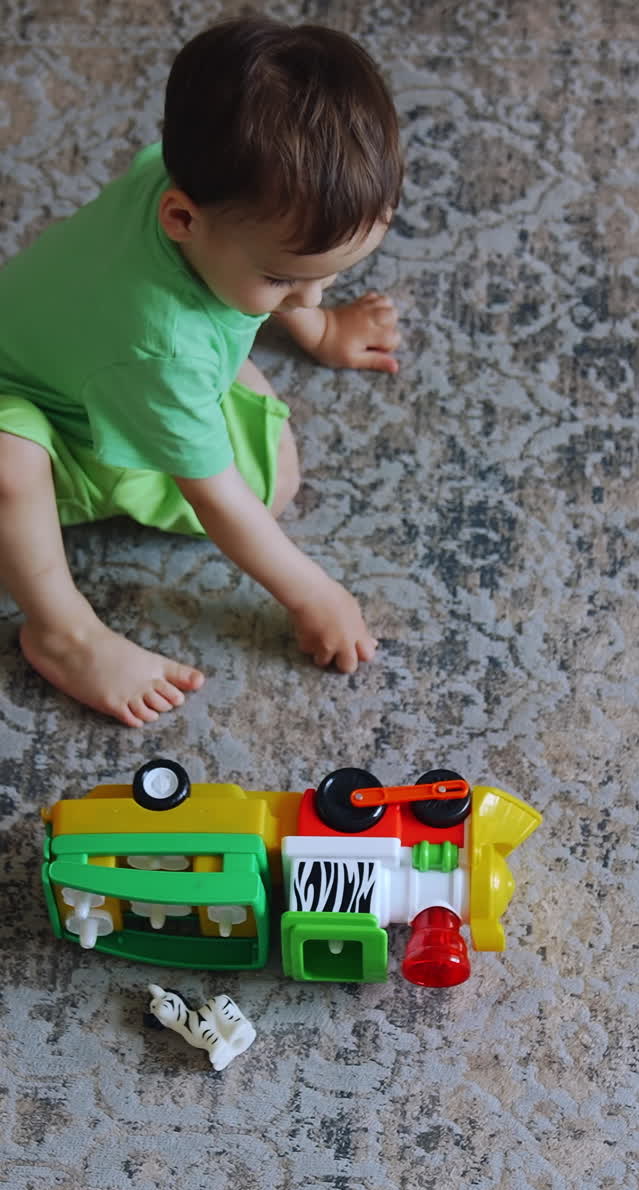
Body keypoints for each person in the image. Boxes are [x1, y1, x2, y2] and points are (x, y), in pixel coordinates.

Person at [0, 14, 403, 727]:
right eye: (286, 282)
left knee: (267, 465)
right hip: (36, 399)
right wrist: (315, 593)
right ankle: (65, 634)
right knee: (16, 467)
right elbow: (216, 499)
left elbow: (285, 264)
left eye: (328, 277)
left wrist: (315, 323)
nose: (309, 294)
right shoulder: (160, 349)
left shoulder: (191, 168)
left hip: (88, 357)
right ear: (181, 218)